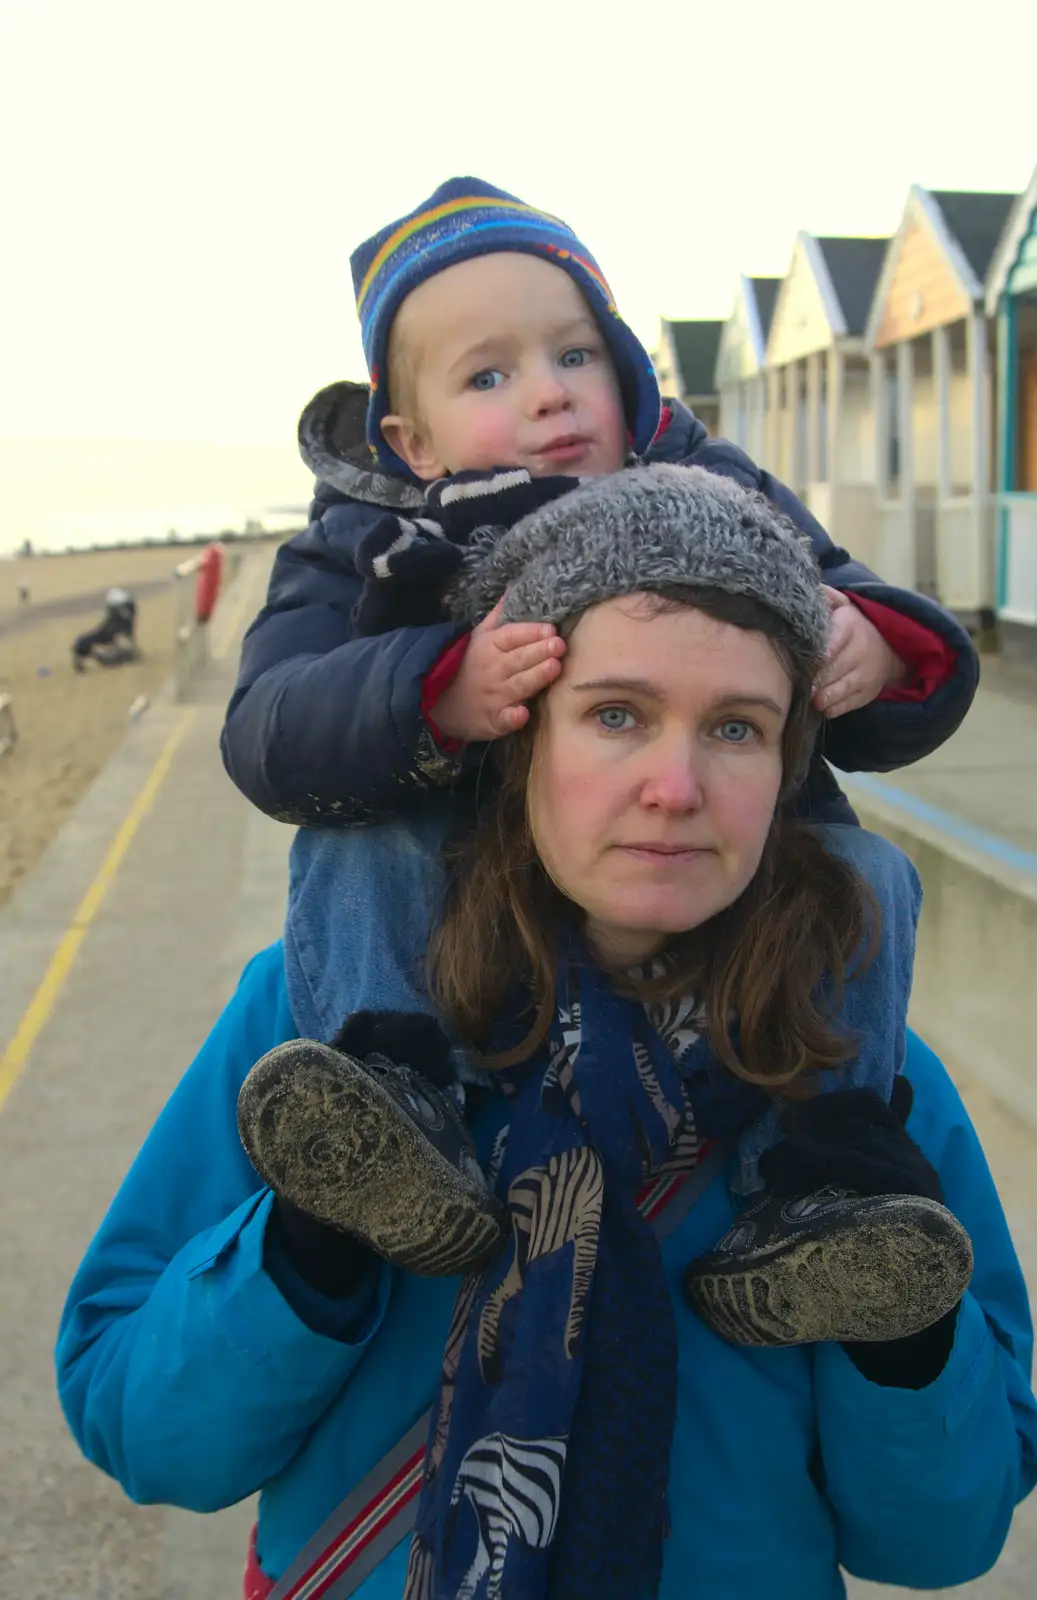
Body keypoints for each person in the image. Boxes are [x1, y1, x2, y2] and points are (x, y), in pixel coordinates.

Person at [58, 467, 1036, 1600]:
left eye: (735, 727)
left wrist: (902, 1339)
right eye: (615, 714)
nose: (674, 785)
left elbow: (943, 1540)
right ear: (521, 742)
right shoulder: (324, 1026)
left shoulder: (850, 1073)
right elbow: (141, 1432)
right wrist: (304, 1255)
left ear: (785, 769)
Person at [219, 178, 976, 1280]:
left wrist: (879, 644)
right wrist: (428, 690)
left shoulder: (707, 485)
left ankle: (822, 1176)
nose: (547, 395)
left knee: (864, 874)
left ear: (623, 371)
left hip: (719, 889)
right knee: (356, 843)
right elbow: (268, 731)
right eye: (489, 373)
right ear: (410, 436)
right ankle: (393, 1100)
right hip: (469, 894)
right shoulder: (373, 538)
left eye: (574, 356)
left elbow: (895, 653)